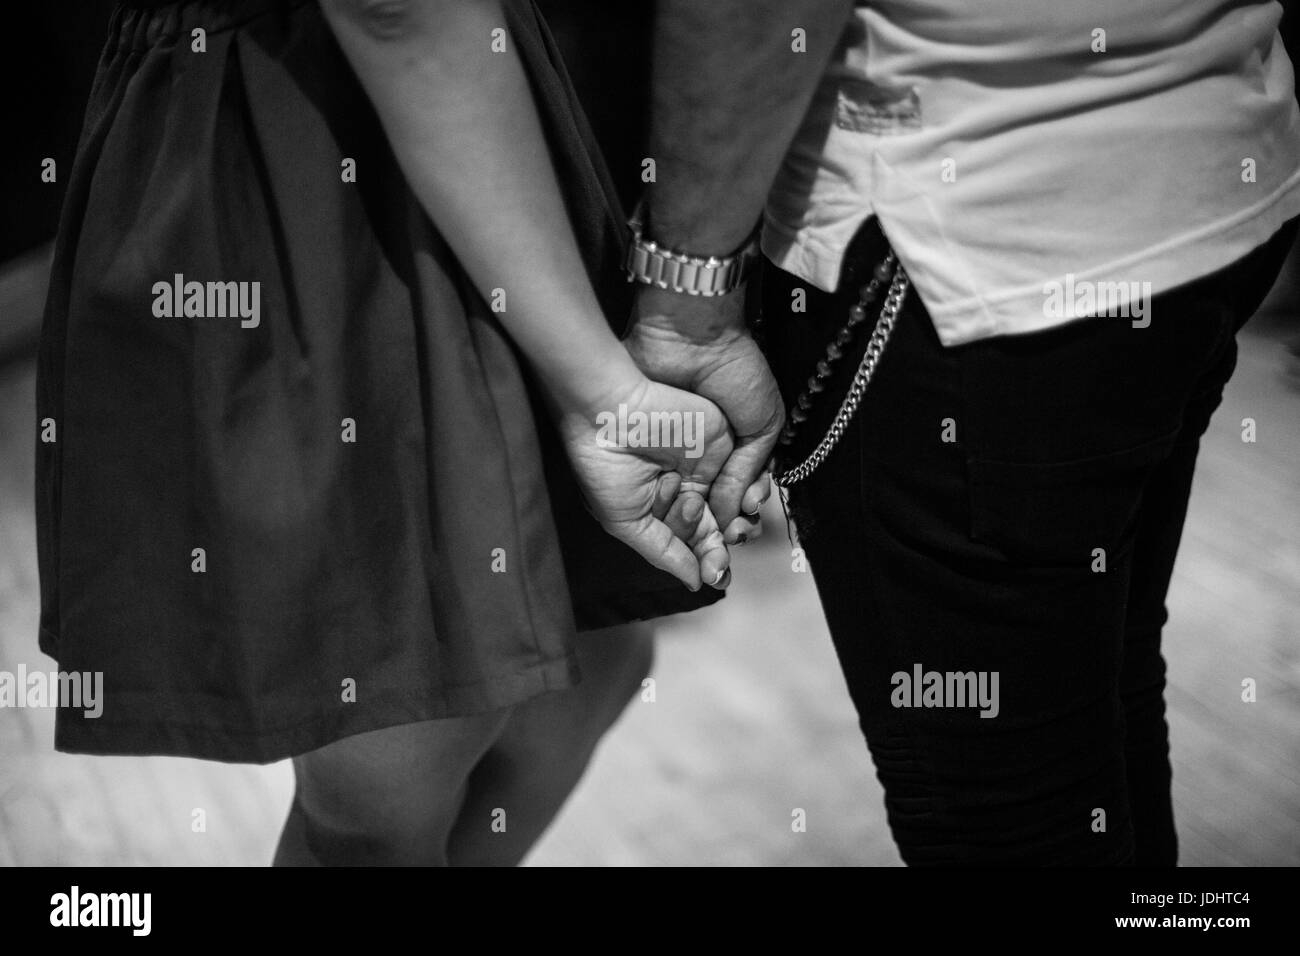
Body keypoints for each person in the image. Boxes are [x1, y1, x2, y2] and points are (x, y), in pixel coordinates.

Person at [35, 0, 761, 866]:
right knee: (398, 762)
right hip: (303, 143)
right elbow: (395, 11)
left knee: (583, 676)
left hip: (491, 117)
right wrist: (608, 393)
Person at [628, 0, 1300, 864]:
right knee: (1098, 693)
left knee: (1005, 807)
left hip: (970, 248)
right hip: (1206, 158)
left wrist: (688, 305)